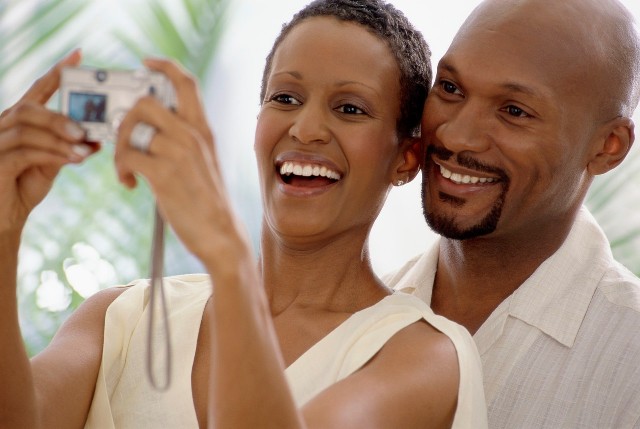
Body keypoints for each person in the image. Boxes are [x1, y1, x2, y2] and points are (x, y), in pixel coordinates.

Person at [0, 1, 488, 428]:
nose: (306, 128)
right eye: (286, 98)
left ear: (405, 158)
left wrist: (228, 260)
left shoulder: (424, 355)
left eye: (350, 108)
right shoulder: (121, 317)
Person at [384, 0, 640, 427]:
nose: (456, 135)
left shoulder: (630, 355)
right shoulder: (363, 311)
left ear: (608, 147)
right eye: (450, 88)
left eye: (514, 111)